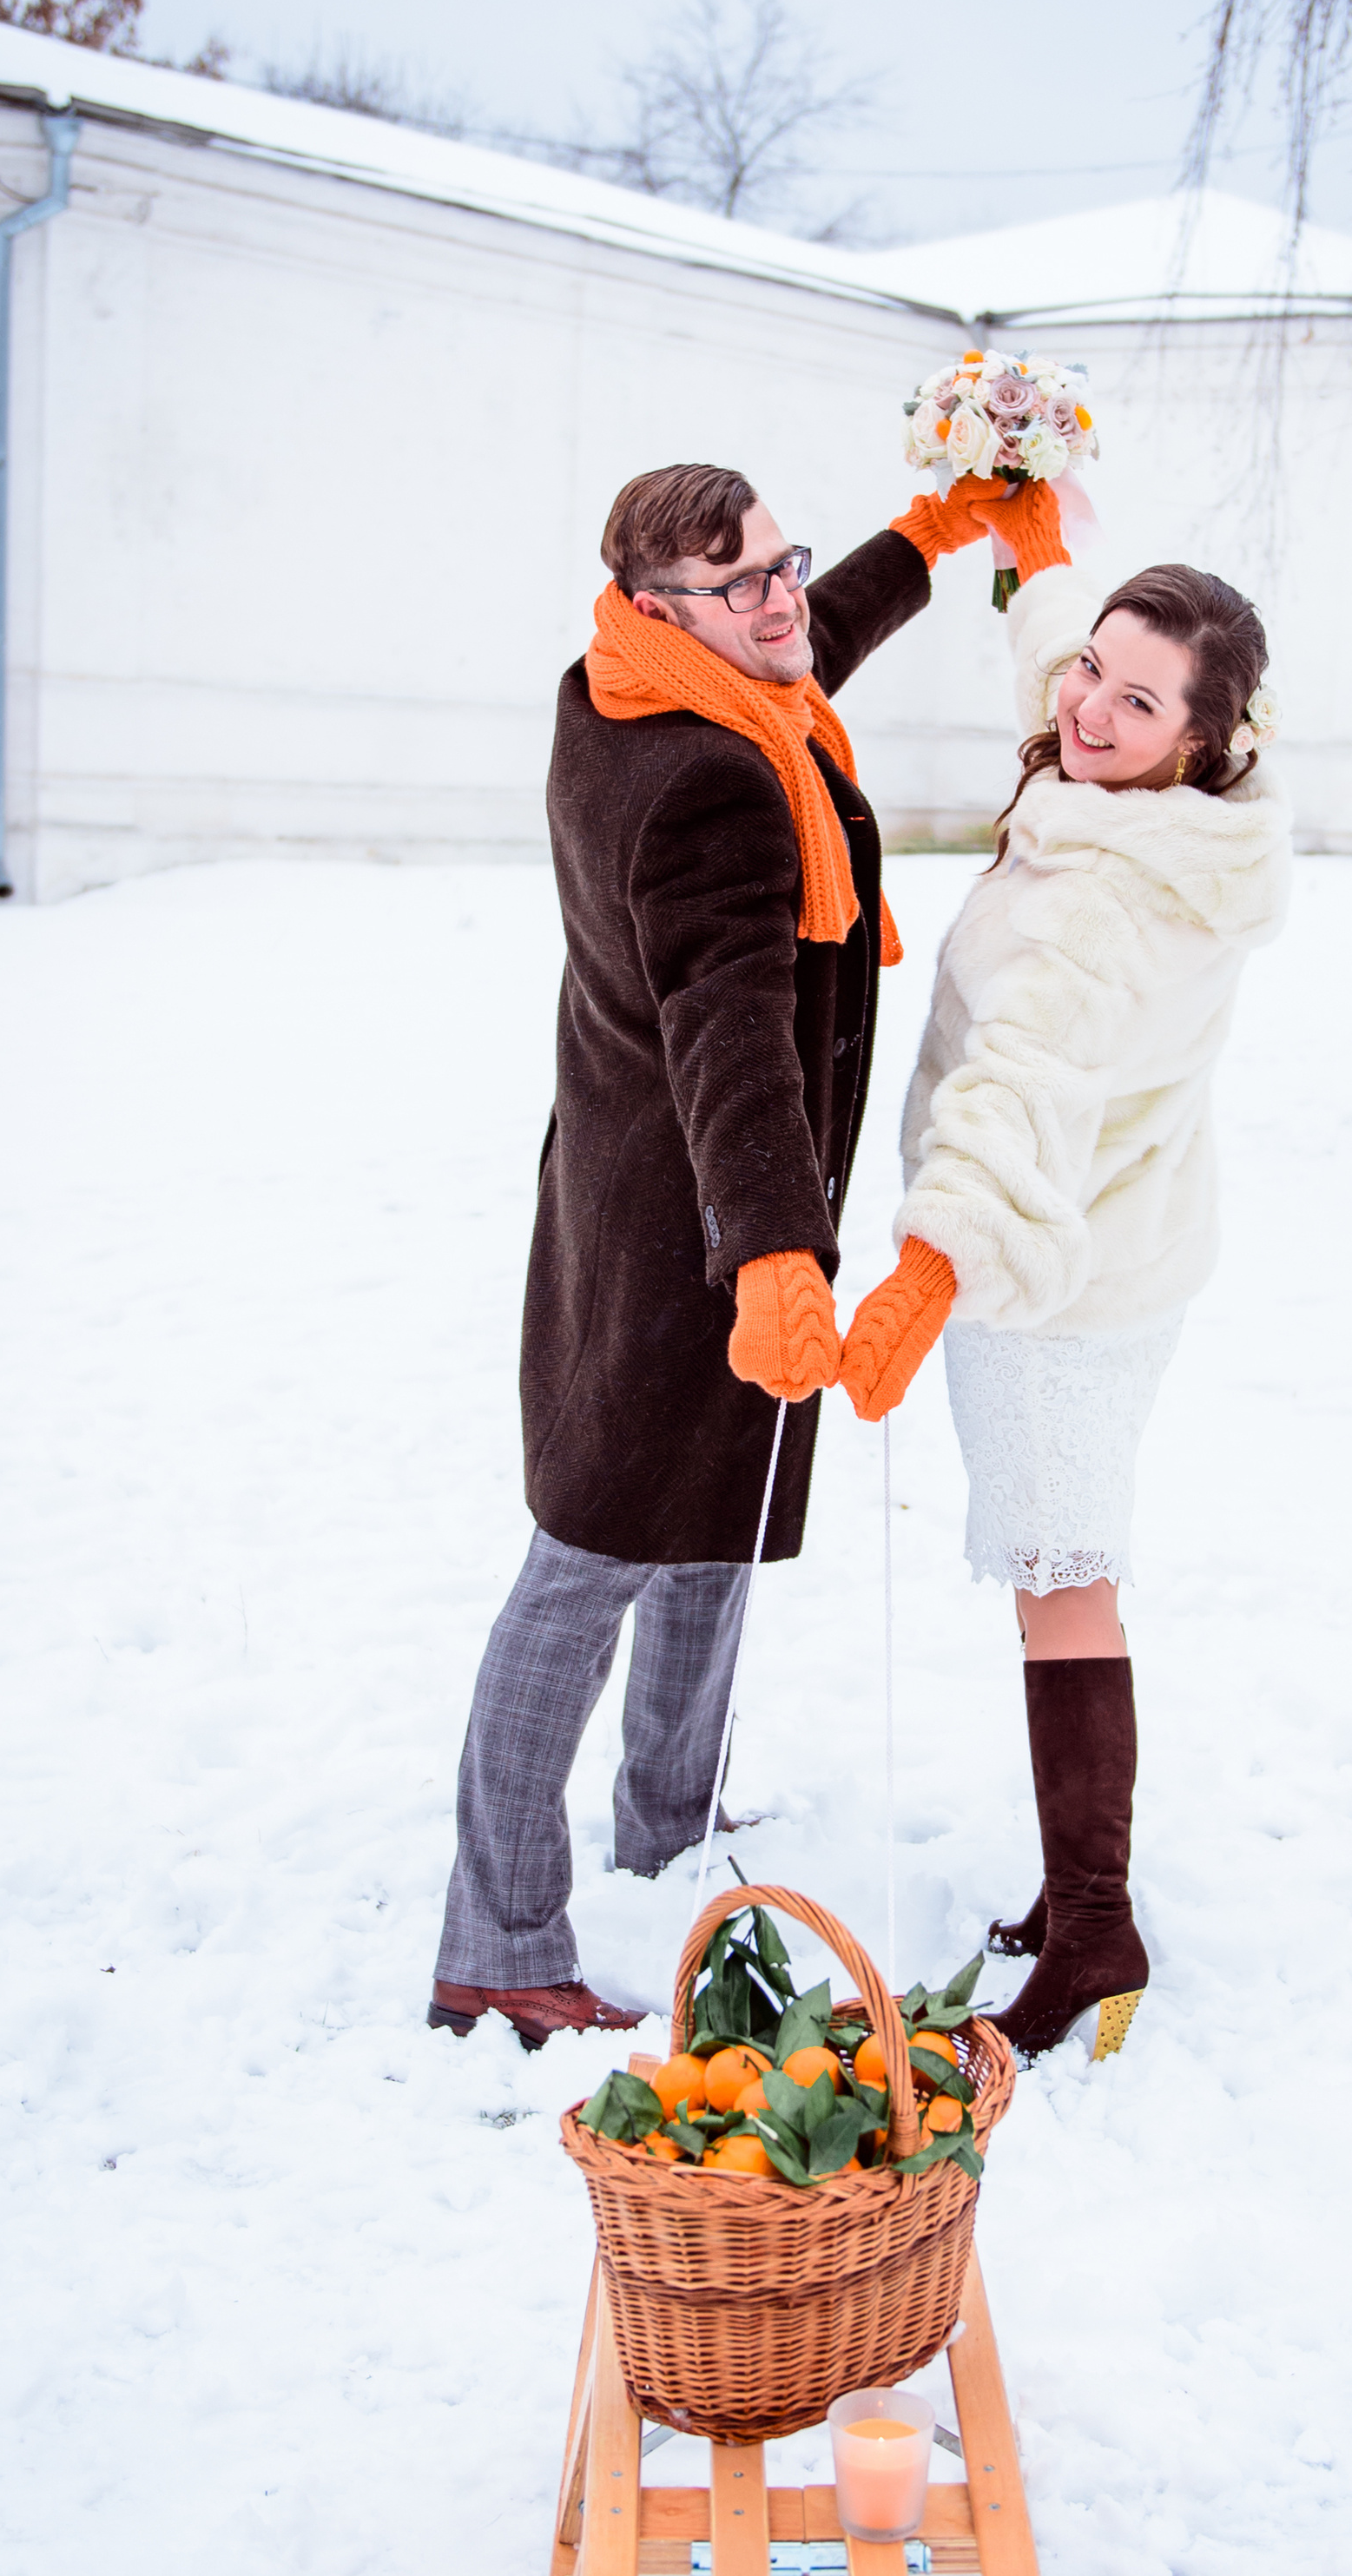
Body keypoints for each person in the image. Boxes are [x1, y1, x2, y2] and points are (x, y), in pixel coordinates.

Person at [427, 457, 1061, 2046]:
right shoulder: (712, 777)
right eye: (747, 584)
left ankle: (665, 1827)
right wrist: (775, 1257)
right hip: (689, 1223)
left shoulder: (628, 678)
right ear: (663, 609)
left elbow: (810, 636)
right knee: (585, 1569)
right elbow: (731, 1033)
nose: (784, 601)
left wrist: (928, 540)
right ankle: (498, 1942)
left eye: (785, 564)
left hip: (641, 1184)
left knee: (715, 1527)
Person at [838, 550, 1289, 2061]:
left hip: (1053, 1280)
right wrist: (1041, 545)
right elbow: (1067, 652)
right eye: (1091, 665)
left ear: (1204, 738)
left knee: (1064, 1576)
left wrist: (934, 1258)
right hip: (1116, 1241)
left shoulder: (1110, 903)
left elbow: (1022, 1080)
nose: (1090, 703)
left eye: (1137, 697)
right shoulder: (1176, 823)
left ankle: (1094, 1924)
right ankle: (1077, 1891)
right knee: (1060, 1568)